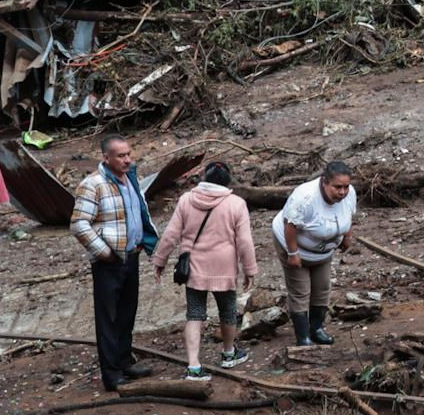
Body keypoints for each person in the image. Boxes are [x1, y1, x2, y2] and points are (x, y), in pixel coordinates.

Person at [68, 135, 156, 392]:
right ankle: (112, 374)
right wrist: (103, 252)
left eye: (129, 154)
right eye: (121, 156)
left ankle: (124, 361)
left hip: (132, 256)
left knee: (127, 312)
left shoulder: (130, 179)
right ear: (106, 158)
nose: (127, 160)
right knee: (108, 317)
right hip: (109, 261)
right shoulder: (92, 185)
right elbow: (79, 224)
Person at [161, 160, 256, 380]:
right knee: (228, 311)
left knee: (194, 315)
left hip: (194, 268)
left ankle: (193, 366)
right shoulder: (236, 204)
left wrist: (160, 261)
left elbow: (171, 234)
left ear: (204, 177)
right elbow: (244, 241)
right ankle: (229, 354)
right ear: (228, 180)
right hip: (224, 267)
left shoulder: (186, 200)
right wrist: (249, 269)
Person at [273, 161, 357, 350]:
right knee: (301, 290)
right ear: (324, 182)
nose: (342, 192)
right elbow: (290, 226)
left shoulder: (349, 194)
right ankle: (303, 337)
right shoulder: (305, 198)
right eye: (337, 187)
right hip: (294, 245)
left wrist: (346, 238)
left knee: (322, 287)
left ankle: (317, 329)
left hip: (324, 250)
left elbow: (349, 216)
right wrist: (293, 253)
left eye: (346, 186)